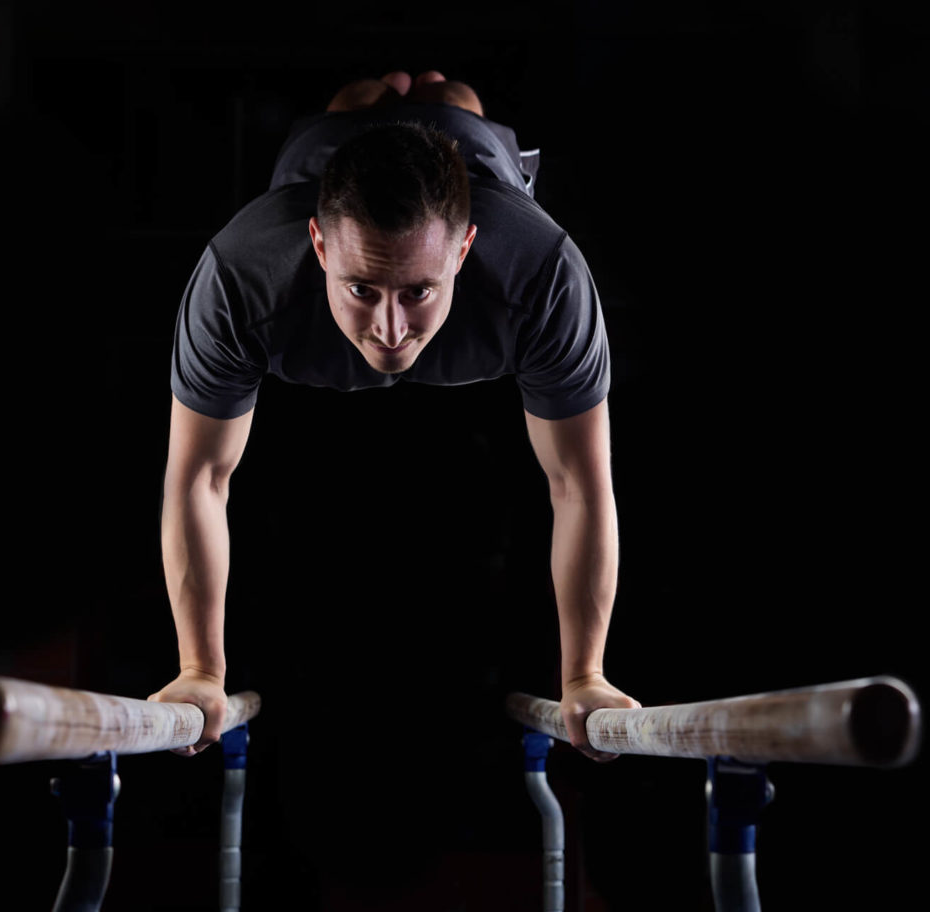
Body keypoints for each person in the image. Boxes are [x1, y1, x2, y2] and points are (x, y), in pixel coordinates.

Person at [148, 70, 640, 761]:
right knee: (355, 116)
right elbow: (198, 478)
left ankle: (428, 102)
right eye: (361, 287)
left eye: (418, 291)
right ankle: (385, 105)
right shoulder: (240, 278)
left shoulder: (543, 276)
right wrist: (200, 670)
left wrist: (585, 674)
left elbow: (581, 485)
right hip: (315, 173)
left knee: (451, 108)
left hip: (477, 174)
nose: (389, 329)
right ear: (319, 247)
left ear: (464, 252)